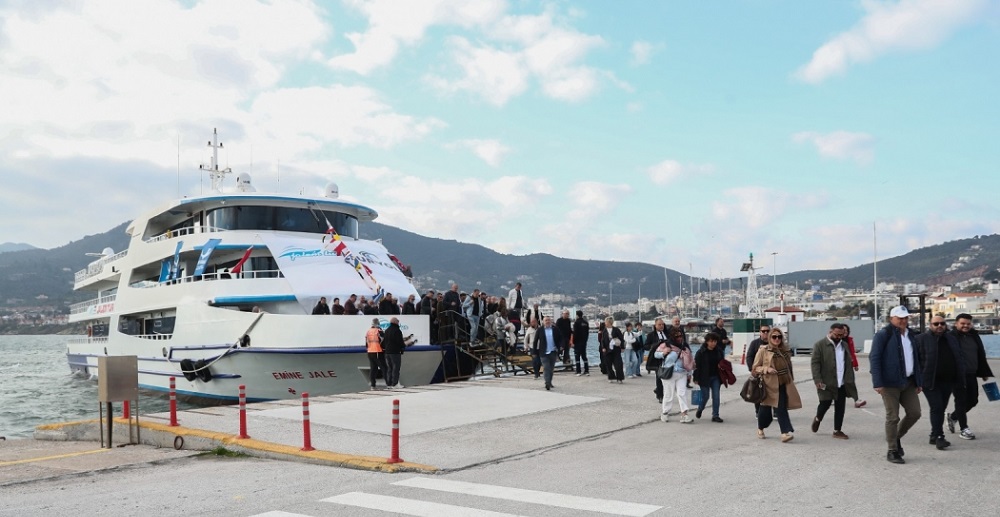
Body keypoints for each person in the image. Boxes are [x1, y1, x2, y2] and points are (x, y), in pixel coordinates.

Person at [870, 306, 922, 464]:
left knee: (915, 413)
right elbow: (875, 358)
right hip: (889, 383)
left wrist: (919, 381)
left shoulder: (911, 335)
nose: (903, 321)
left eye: (905, 318)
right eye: (900, 318)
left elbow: (916, 359)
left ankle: (896, 436)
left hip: (909, 381)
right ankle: (892, 450)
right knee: (893, 417)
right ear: (891, 318)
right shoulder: (883, 335)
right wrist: (878, 382)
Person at [916, 315, 963, 450]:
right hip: (930, 381)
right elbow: (915, 360)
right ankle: (939, 436)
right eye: (936, 324)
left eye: (942, 323)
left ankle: (933, 434)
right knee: (936, 407)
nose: (939, 326)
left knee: (941, 407)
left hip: (948, 380)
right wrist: (917, 379)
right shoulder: (921, 339)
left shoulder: (951, 339)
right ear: (930, 325)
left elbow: (958, 357)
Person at [947, 313, 995, 440]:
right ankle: (964, 429)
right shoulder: (950, 337)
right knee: (961, 400)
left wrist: (984, 372)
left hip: (971, 373)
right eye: (962, 323)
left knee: (973, 400)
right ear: (956, 324)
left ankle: (953, 417)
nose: (965, 326)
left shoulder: (974, 336)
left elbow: (980, 354)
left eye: (968, 324)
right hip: (957, 375)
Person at [752, 329, 802, 442]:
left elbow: (789, 367)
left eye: (779, 337)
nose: (777, 339)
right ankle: (760, 428)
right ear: (770, 338)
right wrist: (767, 369)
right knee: (765, 411)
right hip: (768, 385)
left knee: (781, 408)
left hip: (782, 383)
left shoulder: (784, 351)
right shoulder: (763, 350)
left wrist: (791, 379)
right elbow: (755, 368)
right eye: (774, 337)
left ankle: (785, 433)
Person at [810, 323, 856, 440]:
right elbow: (815, 363)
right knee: (825, 403)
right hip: (826, 381)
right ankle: (818, 418)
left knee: (840, 407)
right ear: (830, 332)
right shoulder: (820, 345)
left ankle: (837, 430)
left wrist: (850, 379)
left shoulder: (844, 345)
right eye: (837, 335)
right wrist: (817, 379)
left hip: (841, 382)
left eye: (841, 335)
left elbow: (848, 362)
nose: (839, 337)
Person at [656, 329, 693, 423]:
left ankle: (684, 414)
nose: (679, 338)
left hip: (682, 373)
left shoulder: (685, 346)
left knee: (682, 393)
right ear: (672, 337)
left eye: (681, 336)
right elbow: (656, 354)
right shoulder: (666, 345)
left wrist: (689, 373)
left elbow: (690, 360)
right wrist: (664, 352)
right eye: (677, 336)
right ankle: (665, 412)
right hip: (669, 373)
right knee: (669, 394)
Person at [693, 332, 725, 422]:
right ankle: (700, 408)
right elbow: (696, 366)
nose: (713, 343)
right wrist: (695, 378)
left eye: (715, 341)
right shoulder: (701, 352)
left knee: (716, 396)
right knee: (705, 396)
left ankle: (715, 415)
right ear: (707, 341)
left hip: (716, 377)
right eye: (711, 341)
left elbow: (723, 363)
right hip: (704, 377)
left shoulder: (719, 351)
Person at [532, 316, 563, 391]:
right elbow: (535, 341)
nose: (547, 322)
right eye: (546, 320)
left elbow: (561, 338)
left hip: (553, 351)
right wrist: (534, 351)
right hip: (543, 352)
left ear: (551, 321)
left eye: (549, 320)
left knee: (551, 368)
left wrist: (561, 346)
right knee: (546, 367)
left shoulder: (555, 329)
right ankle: (547, 383)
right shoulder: (540, 330)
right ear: (543, 322)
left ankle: (550, 381)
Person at [746, 324, 770, 416]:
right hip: (758, 372)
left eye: (767, 331)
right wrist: (752, 369)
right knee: (758, 392)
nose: (765, 333)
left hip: (770, 372)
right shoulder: (755, 343)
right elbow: (749, 356)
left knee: (772, 392)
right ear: (760, 332)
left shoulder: (773, 342)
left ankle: (775, 411)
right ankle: (758, 411)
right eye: (763, 331)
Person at [646, 318, 670, 402]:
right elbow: (646, 346)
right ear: (655, 325)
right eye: (659, 324)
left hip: (667, 358)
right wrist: (655, 345)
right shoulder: (651, 335)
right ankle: (660, 395)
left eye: (662, 324)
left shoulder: (667, 334)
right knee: (659, 376)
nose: (661, 326)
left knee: (666, 376)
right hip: (657, 358)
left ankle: (659, 390)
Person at [843, 324, 866, 408]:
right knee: (835, 382)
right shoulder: (835, 340)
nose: (845, 332)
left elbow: (852, 352)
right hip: (836, 364)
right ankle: (832, 398)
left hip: (848, 364)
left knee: (850, 381)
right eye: (843, 330)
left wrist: (855, 364)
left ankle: (856, 400)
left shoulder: (849, 340)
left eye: (846, 330)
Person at [382, 317, 406, 389]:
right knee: (396, 368)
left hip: (387, 352)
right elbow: (399, 342)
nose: (398, 323)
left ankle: (389, 384)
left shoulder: (386, 330)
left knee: (390, 368)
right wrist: (403, 347)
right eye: (398, 321)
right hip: (395, 352)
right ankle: (395, 384)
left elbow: (384, 342)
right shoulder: (397, 331)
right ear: (395, 322)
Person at [600, 317, 625, 383]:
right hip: (607, 349)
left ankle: (619, 378)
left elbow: (621, 338)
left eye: (606, 322)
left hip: (616, 349)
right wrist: (603, 347)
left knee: (618, 364)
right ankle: (611, 376)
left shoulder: (616, 330)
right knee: (608, 364)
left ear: (609, 322)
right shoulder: (604, 330)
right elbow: (602, 340)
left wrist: (622, 347)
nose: (605, 323)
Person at [365, 318, 387, 390]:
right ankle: (389, 384)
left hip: (370, 352)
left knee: (373, 369)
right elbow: (384, 340)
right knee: (384, 368)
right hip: (378, 351)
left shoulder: (368, 331)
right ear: (377, 323)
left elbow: (366, 343)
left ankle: (373, 386)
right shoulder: (378, 331)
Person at [572, 310, 590, 376]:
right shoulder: (586, 323)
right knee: (584, 356)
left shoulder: (576, 323)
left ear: (577, 315)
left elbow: (575, 333)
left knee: (577, 356)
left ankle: (578, 371)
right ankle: (586, 370)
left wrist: (573, 342)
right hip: (584, 342)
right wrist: (585, 340)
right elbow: (587, 333)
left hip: (577, 342)